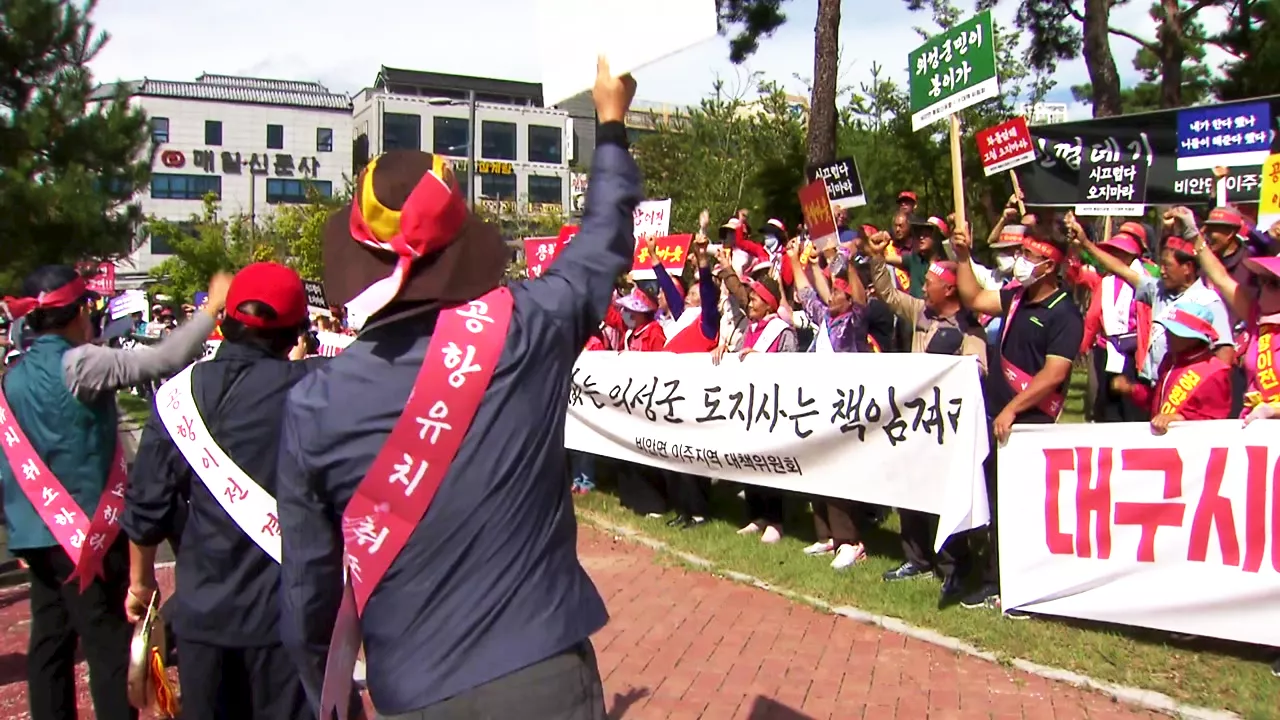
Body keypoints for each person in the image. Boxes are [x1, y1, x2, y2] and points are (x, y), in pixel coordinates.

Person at [276, 58, 639, 720]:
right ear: (461, 241)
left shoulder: (315, 405)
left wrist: (325, 693)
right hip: (543, 675)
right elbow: (602, 241)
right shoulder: (527, 329)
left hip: (412, 689)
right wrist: (609, 126)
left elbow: (308, 587)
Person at [0, 264, 230, 720]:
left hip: (38, 533)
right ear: (76, 313)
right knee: (107, 648)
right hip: (88, 536)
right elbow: (163, 360)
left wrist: (17, 526)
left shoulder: (14, 376)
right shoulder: (83, 363)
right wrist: (211, 311)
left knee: (49, 644)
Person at [123, 263, 324, 720]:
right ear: (295, 332)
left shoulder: (179, 395)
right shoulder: (314, 392)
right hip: (288, 615)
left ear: (224, 322)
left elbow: (146, 505)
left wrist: (141, 583)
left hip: (203, 614)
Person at [951, 221, 1083, 612]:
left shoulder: (1064, 315)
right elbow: (973, 297)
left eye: (1030, 257)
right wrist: (962, 256)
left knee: (1016, 506)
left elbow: (1054, 373)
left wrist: (1013, 408)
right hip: (996, 416)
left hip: (1028, 422)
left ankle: (1009, 583)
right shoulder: (1015, 298)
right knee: (993, 499)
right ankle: (994, 577)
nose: (1021, 262)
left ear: (1049, 265)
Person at [865, 232, 986, 599]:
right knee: (909, 489)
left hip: (946, 427)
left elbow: (978, 371)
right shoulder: (921, 312)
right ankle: (916, 558)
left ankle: (953, 565)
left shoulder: (969, 329)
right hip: (912, 422)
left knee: (944, 496)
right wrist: (877, 260)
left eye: (931, 283)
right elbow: (888, 294)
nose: (924, 288)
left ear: (950, 290)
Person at [1109, 301, 1233, 432]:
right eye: (1168, 330)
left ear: (1193, 338)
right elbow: (1157, 402)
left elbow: (1218, 424)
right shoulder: (1170, 361)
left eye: (1175, 332)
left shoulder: (1214, 372)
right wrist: (1132, 389)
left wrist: (1181, 420)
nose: (1167, 335)